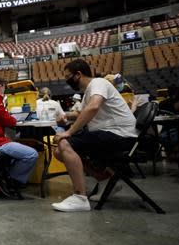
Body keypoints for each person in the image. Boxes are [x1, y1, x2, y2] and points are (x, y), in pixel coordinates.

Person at [52, 59, 138, 212]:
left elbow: (93, 107)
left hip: (119, 135)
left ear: (78, 74)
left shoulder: (98, 82)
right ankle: (107, 181)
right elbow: (81, 112)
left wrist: (69, 132)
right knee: (60, 153)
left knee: (64, 143)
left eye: (67, 76)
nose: (66, 80)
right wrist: (66, 115)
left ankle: (80, 197)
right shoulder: (89, 91)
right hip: (112, 134)